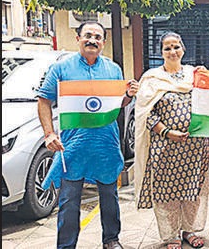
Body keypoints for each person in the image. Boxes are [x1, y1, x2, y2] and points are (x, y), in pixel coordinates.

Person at [37, 21, 139, 249]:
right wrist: (49, 133)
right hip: (74, 146)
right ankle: (66, 245)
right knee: (69, 201)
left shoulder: (113, 69)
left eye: (98, 37)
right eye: (88, 35)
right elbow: (44, 100)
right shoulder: (62, 69)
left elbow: (118, 103)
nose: (92, 40)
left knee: (110, 197)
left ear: (103, 42)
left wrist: (129, 96)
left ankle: (111, 240)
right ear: (78, 38)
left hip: (106, 144)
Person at [133, 32, 209, 249]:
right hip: (165, 145)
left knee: (193, 189)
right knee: (166, 191)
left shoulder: (195, 74)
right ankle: (171, 235)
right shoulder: (152, 78)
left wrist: (208, 78)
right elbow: (145, 112)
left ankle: (190, 230)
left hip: (195, 146)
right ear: (161, 53)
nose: (172, 51)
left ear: (183, 49)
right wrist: (167, 132)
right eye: (167, 48)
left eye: (176, 46)